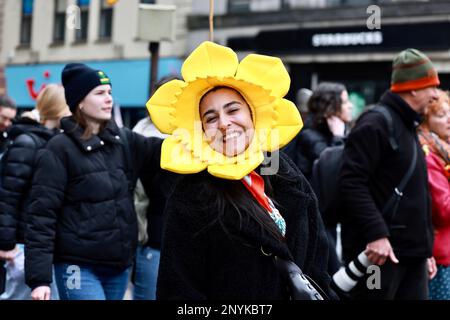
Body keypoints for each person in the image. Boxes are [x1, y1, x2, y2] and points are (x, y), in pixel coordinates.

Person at [147, 41, 335, 300]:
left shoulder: (281, 170)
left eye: (233, 109)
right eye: (211, 118)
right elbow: (178, 290)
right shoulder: (190, 195)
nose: (224, 123)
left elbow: (318, 260)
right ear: (201, 129)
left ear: (252, 114)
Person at [24, 63, 164, 300]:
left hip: (118, 267)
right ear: (79, 101)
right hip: (76, 267)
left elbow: (164, 152)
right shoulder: (59, 149)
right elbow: (41, 216)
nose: (108, 99)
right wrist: (39, 279)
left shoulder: (124, 139)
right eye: (100, 93)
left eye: (109, 92)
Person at [339, 48, 438, 300]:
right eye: (431, 87)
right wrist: (376, 234)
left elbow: (415, 194)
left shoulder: (406, 124)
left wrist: (424, 251)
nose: (435, 95)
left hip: (409, 255)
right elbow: (351, 183)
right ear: (413, 88)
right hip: (380, 255)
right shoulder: (376, 122)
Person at [0, 84, 70, 300]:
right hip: (22, 245)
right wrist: (6, 244)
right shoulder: (27, 143)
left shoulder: (55, 142)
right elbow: (8, 196)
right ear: (59, 109)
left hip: (40, 243)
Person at [283, 82, 353, 181]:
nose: (350, 106)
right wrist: (338, 138)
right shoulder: (309, 136)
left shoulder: (336, 131)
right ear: (331, 107)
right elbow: (333, 168)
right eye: (345, 102)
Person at [417, 89, 450, 300]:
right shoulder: (429, 155)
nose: (449, 120)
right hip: (441, 255)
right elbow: (443, 210)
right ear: (426, 122)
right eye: (441, 115)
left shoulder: (443, 151)